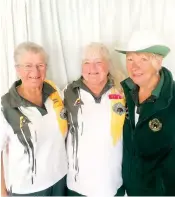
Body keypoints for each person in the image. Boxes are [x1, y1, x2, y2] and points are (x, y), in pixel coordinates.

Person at [0, 42, 68, 196]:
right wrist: (2, 191)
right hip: (28, 190)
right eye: (28, 66)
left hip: (60, 179)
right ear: (17, 69)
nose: (35, 72)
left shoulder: (54, 92)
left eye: (40, 65)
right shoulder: (5, 106)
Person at [115, 29, 175, 196]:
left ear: (158, 62)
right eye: (130, 59)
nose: (134, 66)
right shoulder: (125, 92)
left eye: (143, 59)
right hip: (130, 190)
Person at [64, 42, 126, 196]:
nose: (92, 69)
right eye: (87, 63)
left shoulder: (122, 91)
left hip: (113, 181)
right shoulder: (67, 92)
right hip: (79, 184)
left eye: (98, 62)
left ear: (108, 65)